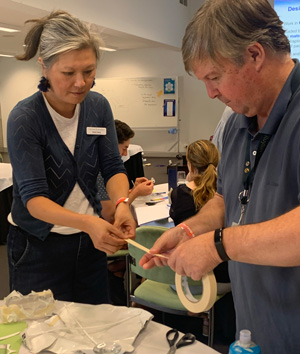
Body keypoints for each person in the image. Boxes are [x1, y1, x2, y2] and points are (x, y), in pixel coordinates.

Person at [140, 0, 300, 352]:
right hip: (254, 329)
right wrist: (188, 230)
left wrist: (217, 246)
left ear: (255, 55)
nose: (211, 93)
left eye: (215, 77)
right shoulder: (236, 123)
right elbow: (227, 200)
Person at [6, 10, 136, 305]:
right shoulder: (26, 118)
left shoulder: (97, 106)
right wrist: (88, 223)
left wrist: (122, 204)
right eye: (68, 73)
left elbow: (113, 166)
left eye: (89, 71)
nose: (81, 83)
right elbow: (34, 199)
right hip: (37, 246)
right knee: (41, 335)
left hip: (88, 244)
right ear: (44, 67)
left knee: (93, 327)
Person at [98, 119, 154, 223]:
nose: (125, 154)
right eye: (124, 148)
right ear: (112, 145)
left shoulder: (102, 166)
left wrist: (134, 190)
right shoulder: (100, 171)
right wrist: (136, 192)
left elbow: (114, 200)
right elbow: (111, 215)